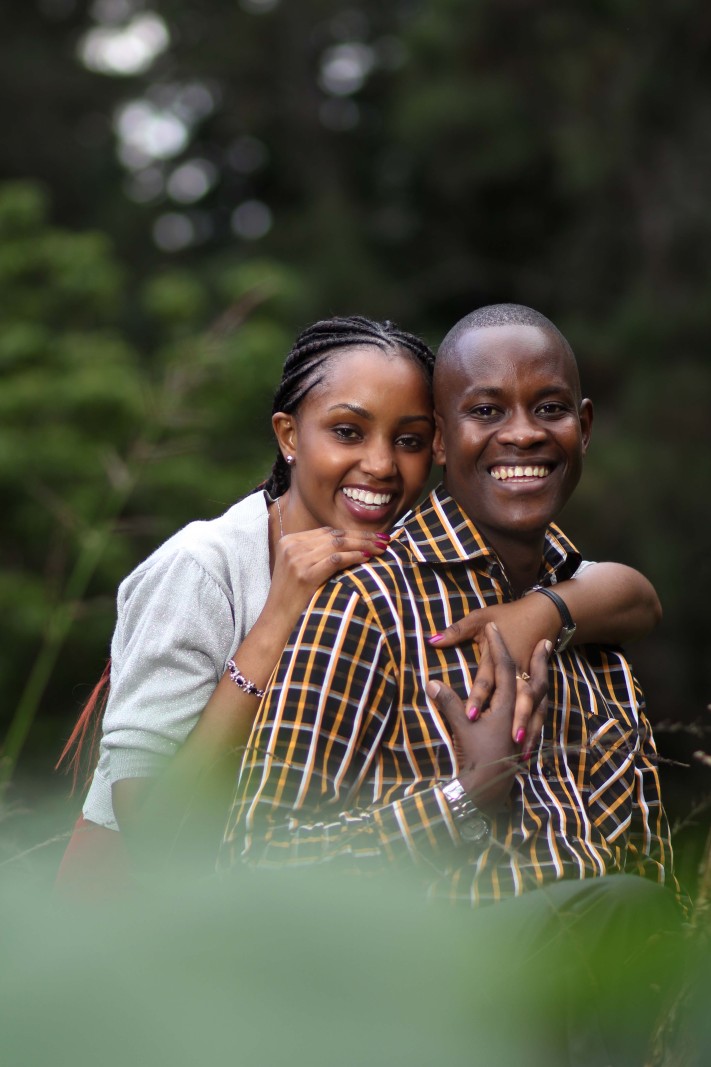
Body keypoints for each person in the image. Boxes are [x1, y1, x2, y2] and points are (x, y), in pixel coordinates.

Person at [56, 312, 660, 892]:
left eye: (409, 440)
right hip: (134, 910)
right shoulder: (203, 568)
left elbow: (633, 596)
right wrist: (276, 621)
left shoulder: (401, 556)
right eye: (348, 432)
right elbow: (152, 832)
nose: (380, 465)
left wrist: (536, 613)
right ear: (289, 434)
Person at [223, 304, 682, 1064]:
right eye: (484, 410)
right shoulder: (369, 602)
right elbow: (256, 864)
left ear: (585, 426)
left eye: (550, 408)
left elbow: (646, 877)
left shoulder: (590, 631)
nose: (523, 434)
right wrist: (465, 797)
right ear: (439, 440)